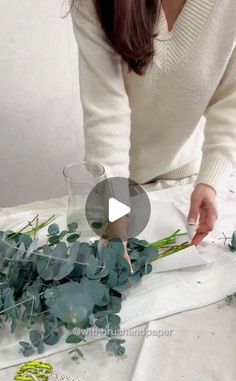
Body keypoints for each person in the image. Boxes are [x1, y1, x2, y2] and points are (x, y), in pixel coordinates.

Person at [69, 0, 236, 246]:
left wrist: (210, 182)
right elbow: (106, 114)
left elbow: (230, 98)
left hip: (188, 180)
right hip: (118, 183)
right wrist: (116, 212)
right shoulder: (94, 4)